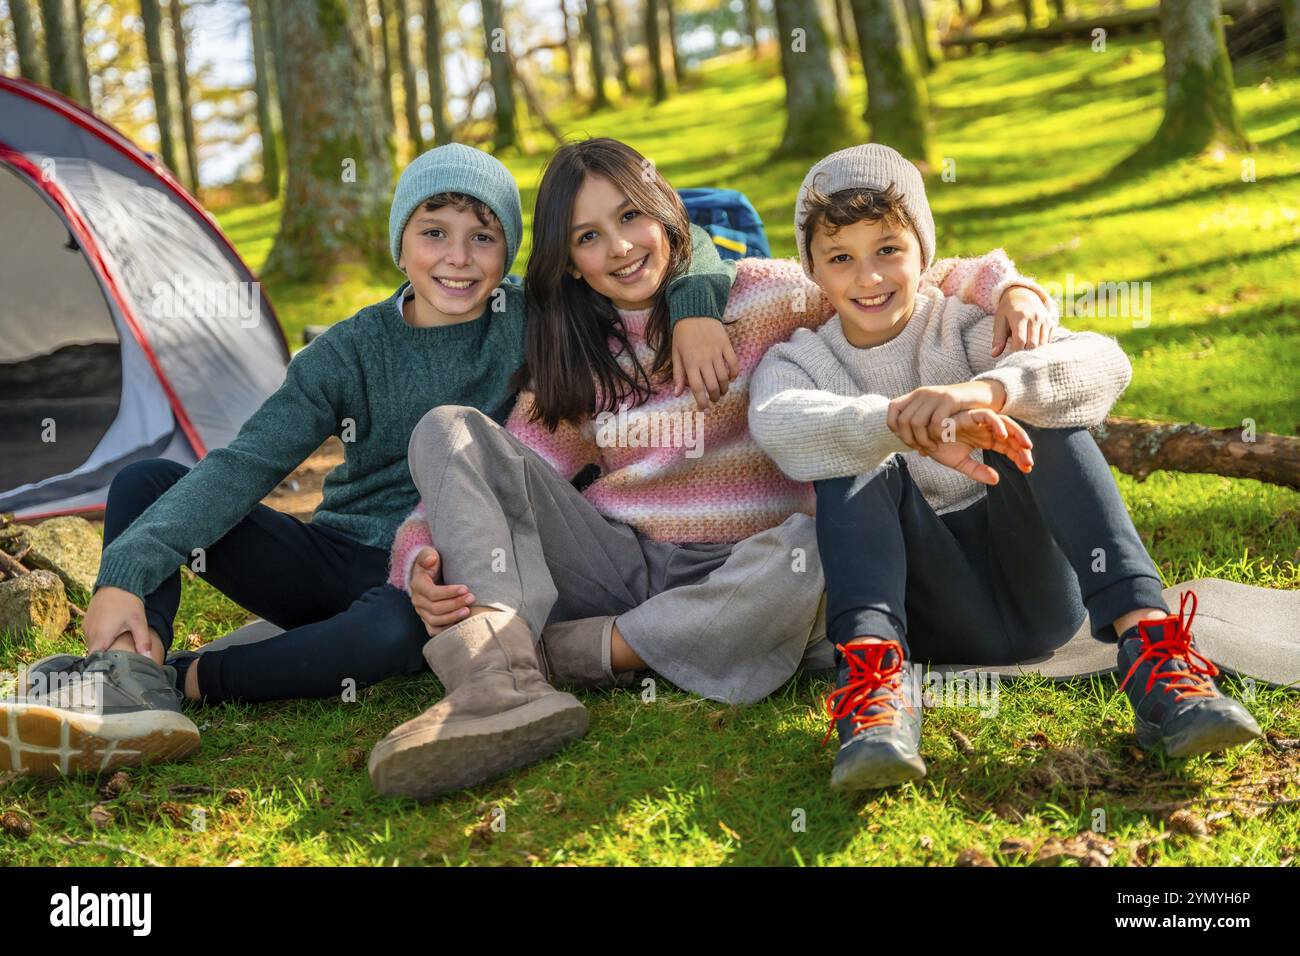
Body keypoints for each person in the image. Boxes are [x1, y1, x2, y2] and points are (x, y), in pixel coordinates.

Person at [0, 143, 736, 778]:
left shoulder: (537, 317)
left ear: (509, 251)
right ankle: (126, 670)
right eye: (434, 232)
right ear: (400, 242)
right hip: (336, 554)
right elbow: (245, 464)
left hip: (440, 579)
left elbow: (681, 233)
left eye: (482, 238)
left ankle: (182, 681)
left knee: (392, 640)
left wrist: (699, 305)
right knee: (145, 481)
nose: (456, 258)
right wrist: (127, 570)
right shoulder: (347, 352)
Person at [373, 137, 1061, 800]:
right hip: (621, 562)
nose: (617, 247)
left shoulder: (764, 296)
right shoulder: (575, 349)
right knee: (449, 429)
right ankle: (500, 685)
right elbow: (498, 469)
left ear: (667, 213)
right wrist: (418, 556)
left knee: (819, 548)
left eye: (631, 216)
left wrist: (1008, 288)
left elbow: (887, 278)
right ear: (570, 261)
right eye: (587, 237)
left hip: (758, 570)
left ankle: (574, 653)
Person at [748, 143, 1262, 792]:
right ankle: (875, 694)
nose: (869, 277)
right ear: (814, 272)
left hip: (1039, 592)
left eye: (887, 250)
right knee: (844, 447)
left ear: (923, 250)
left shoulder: (969, 326)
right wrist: (894, 423)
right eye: (841, 258)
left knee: (1039, 403)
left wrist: (985, 394)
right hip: (922, 603)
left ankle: (1159, 663)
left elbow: (1103, 364)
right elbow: (780, 424)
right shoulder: (801, 361)